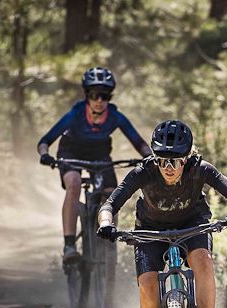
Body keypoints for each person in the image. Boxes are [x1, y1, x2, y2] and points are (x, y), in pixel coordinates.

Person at [96, 120, 227, 308]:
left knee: (203, 260)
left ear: (187, 159)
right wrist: (106, 223)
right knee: (147, 284)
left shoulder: (200, 170)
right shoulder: (143, 172)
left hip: (192, 225)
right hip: (150, 230)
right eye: (162, 161)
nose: (169, 168)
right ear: (154, 158)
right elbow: (110, 204)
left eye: (176, 161)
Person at [37, 67, 152, 263]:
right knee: (73, 182)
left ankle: (109, 244)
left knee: (112, 192)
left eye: (105, 96)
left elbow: (139, 143)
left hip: (99, 154)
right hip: (71, 152)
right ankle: (69, 245)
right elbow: (45, 140)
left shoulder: (115, 116)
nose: (100, 100)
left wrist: (150, 158)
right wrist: (45, 155)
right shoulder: (76, 113)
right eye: (95, 95)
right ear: (87, 95)